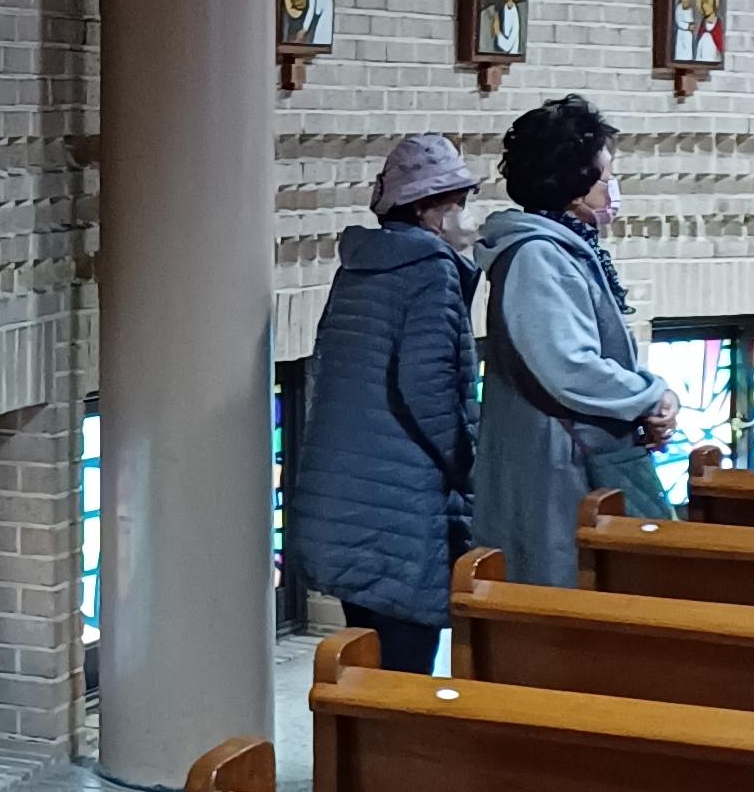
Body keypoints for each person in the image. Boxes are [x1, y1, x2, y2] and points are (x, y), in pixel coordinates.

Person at [284, 133, 481, 672]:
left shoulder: (360, 266)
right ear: (426, 208)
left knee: (366, 657)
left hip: (349, 496)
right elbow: (430, 389)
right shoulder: (431, 270)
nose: (466, 214)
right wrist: (470, 468)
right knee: (405, 671)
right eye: (458, 201)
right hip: (403, 507)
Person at [473, 94, 679, 591]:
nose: (613, 189)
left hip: (567, 461)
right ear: (572, 184)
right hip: (553, 469)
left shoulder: (564, 248)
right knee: (559, 597)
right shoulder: (537, 256)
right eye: (606, 178)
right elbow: (568, 366)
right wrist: (650, 396)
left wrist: (646, 396)